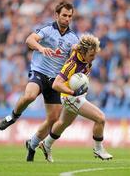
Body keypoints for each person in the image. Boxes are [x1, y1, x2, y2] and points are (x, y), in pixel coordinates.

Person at [0, 2, 79, 161]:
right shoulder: (48, 29)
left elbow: (73, 57)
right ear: (57, 15)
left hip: (55, 80)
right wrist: (41, 48)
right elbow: (30, 40)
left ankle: (32, 144)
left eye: (69, 16)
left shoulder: (73, 38)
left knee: (53, 120)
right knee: (29, 96)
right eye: (64, 15)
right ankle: (13, 117)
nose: (67, 18)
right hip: (39, 72)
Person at [38, 33, 113, 162]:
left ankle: (46, 144)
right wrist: (73, 93)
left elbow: (75, 47)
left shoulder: (82, 53)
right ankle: (98, 149)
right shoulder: (72, 65)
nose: (94, 58)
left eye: (95, 54)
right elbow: (56, 84)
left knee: (63, 123)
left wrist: (76, 46)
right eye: (91, 55)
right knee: (100, 118)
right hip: (71, 97)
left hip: (77, 95)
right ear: (83, 52)